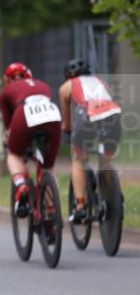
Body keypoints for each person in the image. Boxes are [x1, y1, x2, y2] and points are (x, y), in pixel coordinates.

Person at [58, 58, 122, 223]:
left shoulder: (67, 86)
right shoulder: (102, 82)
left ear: (69, 75)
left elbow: (67, 121)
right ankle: (115, 196)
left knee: (78, 158)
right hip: (113, 116)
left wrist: (67, 131)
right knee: (106, 159)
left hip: (87, 117)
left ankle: (80, 206)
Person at [0, 62, 62, 218]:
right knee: (48, 167)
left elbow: (9, 124)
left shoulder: (6, 91)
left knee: (14, 154)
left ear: (7, 80)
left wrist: (10, 138)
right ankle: (53, 212)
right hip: (52, 114)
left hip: (24, 113)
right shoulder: (43, 85)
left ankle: (21, 185)